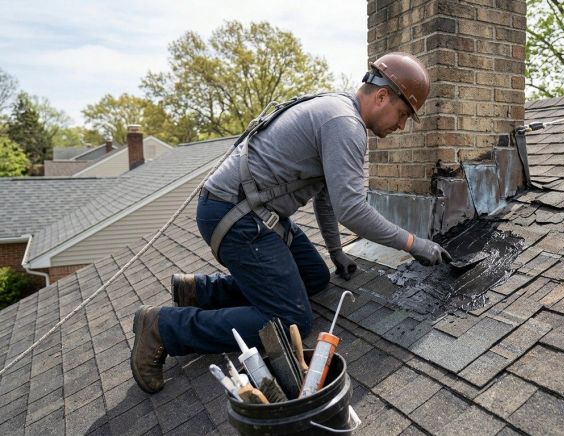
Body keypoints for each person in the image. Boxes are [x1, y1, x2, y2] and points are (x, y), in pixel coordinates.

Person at [130, 52, 451, 393]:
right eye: (402, 115)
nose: (400, 125)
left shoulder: (337, 109)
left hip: (249, 210)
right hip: (236, 215)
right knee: (289, 319)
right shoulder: (345, 124)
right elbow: (352, 210)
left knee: (314, 276)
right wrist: (415, 244)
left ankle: (200, 291)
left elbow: (328, 198)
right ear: (383, 96)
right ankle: (164, 327)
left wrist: (336, 250)